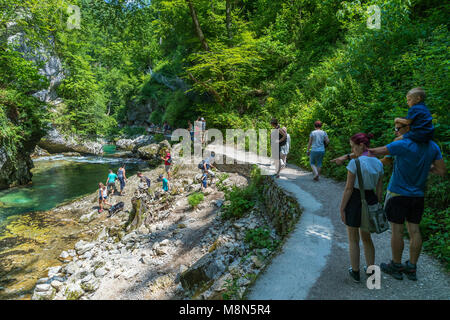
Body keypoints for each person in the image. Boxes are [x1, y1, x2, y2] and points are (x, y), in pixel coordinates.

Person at [368, 132, 445, 281]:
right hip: (418, 195)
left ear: (410, 128)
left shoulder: (401, 144)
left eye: (398, 128)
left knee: (397, 231)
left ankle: (396, 266)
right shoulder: (432, 146)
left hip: (398, 193)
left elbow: (382, 157)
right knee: (414, 230)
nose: (396, 131)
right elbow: (441, 170)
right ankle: (412, 267)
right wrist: (425, 167)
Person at [340, 133, 384, 283]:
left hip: (355, 201)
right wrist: (377, 206)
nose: (352, 150)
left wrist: (342, 208)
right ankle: (371, 271)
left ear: (361, 146)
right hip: (370, 200)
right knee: (367, 238)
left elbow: (348, 189)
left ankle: (355, 271)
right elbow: (379, 190)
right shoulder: (378, 163)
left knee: (353, 238)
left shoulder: (355, 163)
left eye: (353, 146)